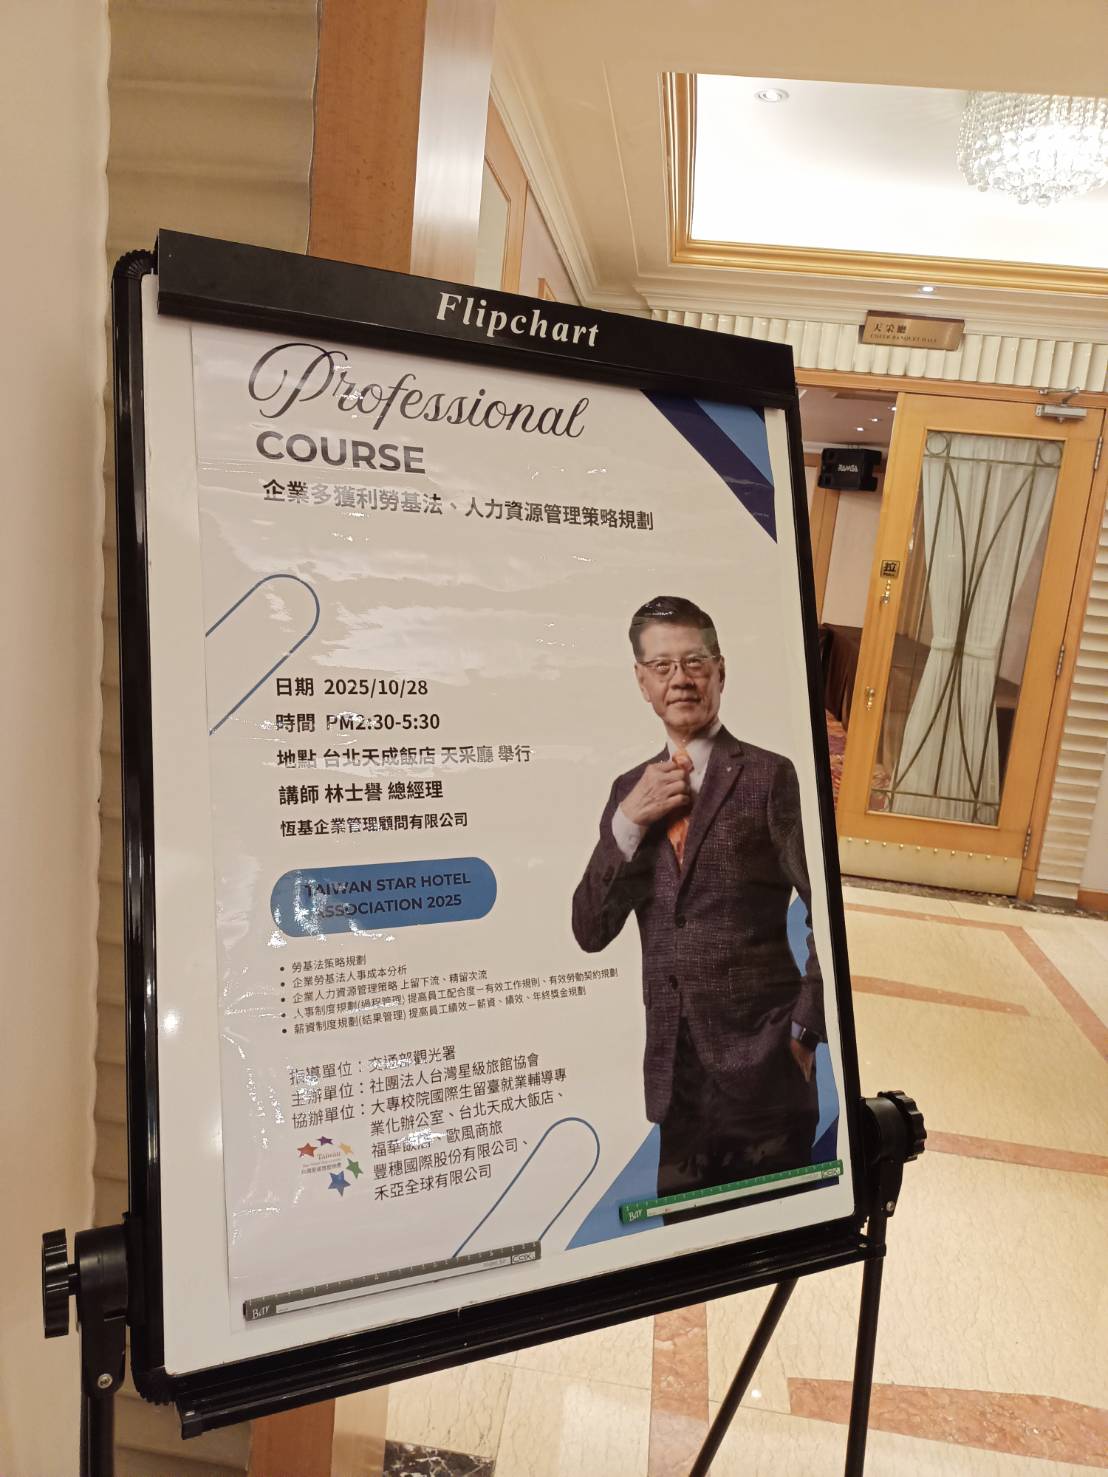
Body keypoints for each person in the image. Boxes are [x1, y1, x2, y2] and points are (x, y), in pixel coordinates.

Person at [571, 595, 825, 1212]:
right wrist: (628, 822)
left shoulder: (770, 777)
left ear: (719, 671)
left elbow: (826, 908)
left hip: (767, 1064)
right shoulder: (629, 791)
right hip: (675, 1074)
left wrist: (804, 1028)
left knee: (768, 1232)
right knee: (683, 1234)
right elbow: (590, 929)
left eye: (693, 662)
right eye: (662, 666)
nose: (679, 679)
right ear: (642, 682)